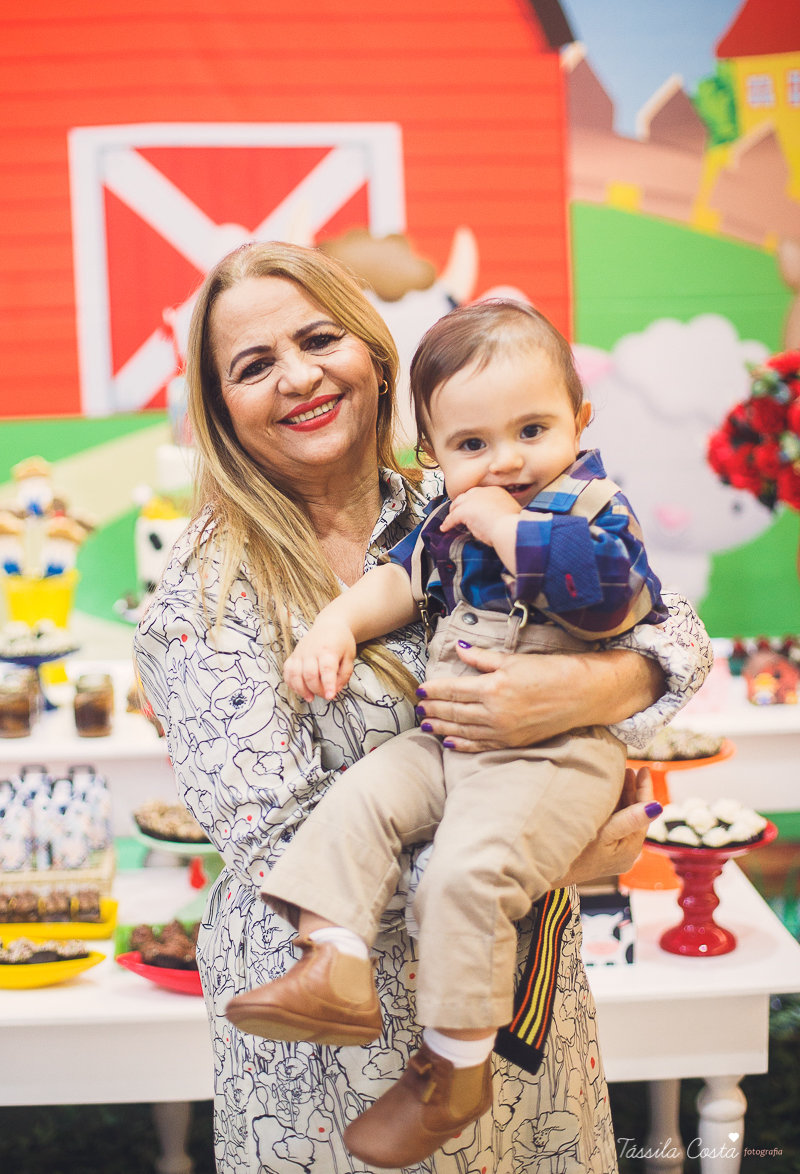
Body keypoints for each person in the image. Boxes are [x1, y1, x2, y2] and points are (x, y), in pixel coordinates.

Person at [133, 241, 712, 1174]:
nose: (298, 376)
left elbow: (677, 636)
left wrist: (588, 688)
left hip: (515, 1006)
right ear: (222, 410)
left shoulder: (476, 488)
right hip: (338, 1047)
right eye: (253, 365)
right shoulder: (204, 599)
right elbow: (276, 835)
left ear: (371, 351)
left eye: (319, 339)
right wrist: (553, 850)